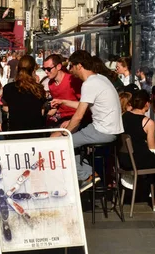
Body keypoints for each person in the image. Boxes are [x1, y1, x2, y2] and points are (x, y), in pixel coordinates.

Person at [50, 51, 124, 192]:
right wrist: (63, 102)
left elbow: (78, 117)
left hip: (102, 131)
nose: (70, 70)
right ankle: (89, 174)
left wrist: (65, 133)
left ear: (79, 66)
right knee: (71, 142)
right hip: (109, 129)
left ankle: (87, 176)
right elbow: (85, 104)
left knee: (59, 145)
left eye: (72, 66)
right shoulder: (100, 79)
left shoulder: (89, 84)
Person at [119, 90, 155, 192]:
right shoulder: (148, 122)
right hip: (138, 162)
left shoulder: (123, 116)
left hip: (123, 159)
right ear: (147, 104)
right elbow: (152, 148)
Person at [1, 55, 46, 134]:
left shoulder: (8, 88)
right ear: (33, 71)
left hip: (14, 133)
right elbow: (41, 111)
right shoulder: (39, 89)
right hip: (36, 133)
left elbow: (5, 107)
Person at [43, 54, 83, 127]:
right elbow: (56, 106)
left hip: (76, 117)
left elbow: (84, 105)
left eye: (48, 69)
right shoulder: (51, 84)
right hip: (61, 117)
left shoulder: (72, 80)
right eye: (44, 69)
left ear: (58, 66)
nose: (46, 72)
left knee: (54, 136)